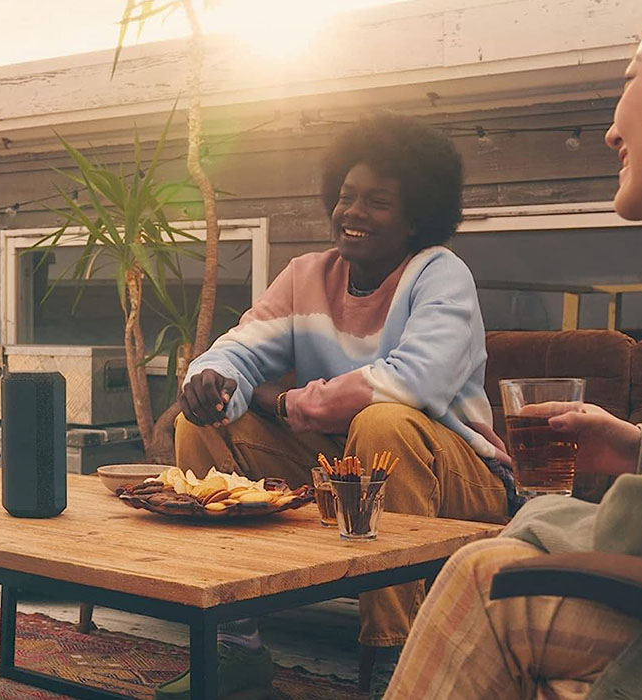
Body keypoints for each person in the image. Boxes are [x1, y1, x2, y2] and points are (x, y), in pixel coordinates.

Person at [384, 0, 642, 697]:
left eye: (630, 76)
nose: (613, 129)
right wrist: (638, 448)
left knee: (487, 578)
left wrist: (530, 517)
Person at [166, 112, 515, 700]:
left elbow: (413, 384)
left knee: (384, 423)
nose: (352, 212)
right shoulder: (307, 275)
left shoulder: (440, 275)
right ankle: (236, 647)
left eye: (377, 201)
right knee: (200, 426)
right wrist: (211, 380)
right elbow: (239, 350)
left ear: (415, 218)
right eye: (347, 196)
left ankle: (396, 663)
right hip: (344, 475)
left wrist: (291, 402)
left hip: (461, 484)